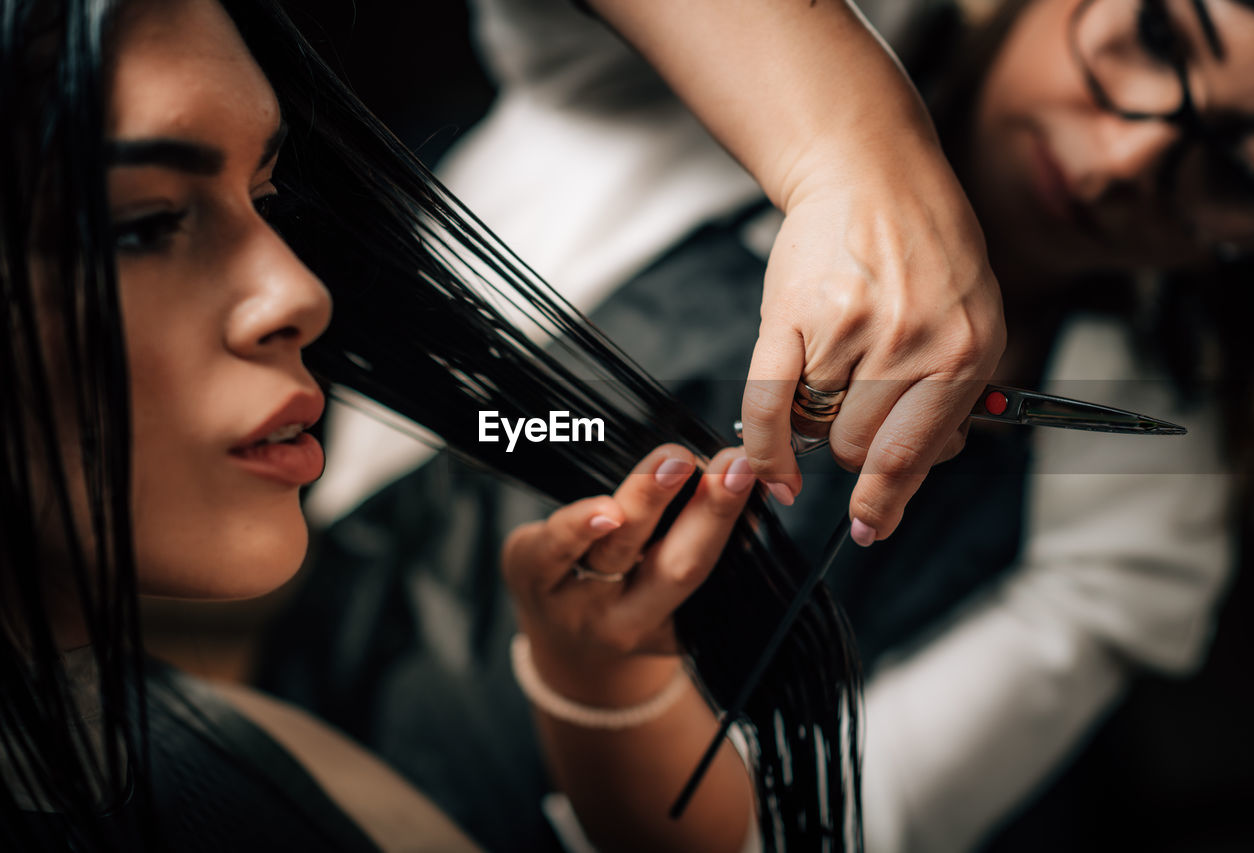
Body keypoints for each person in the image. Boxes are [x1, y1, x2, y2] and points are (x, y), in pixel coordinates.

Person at [267, 0, 1254, 850]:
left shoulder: (1138, 500)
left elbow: (818, 830)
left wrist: (608, 688)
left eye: (1245, 168)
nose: (1127, 154)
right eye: (1153, 36)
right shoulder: (738, 60)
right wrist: (851, 152)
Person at [1, 0, 795, 848]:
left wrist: (606, 689)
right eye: (145, 225)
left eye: (265, 198)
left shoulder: (254, 761)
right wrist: (853, 163)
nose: (300, 294)